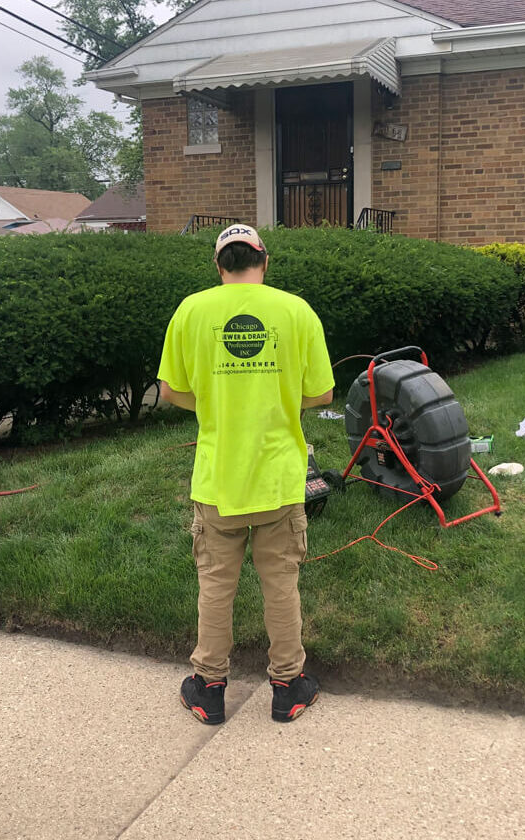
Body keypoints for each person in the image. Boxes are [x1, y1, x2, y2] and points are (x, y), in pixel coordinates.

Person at [157, 223, 334, 725]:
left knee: (216, 584)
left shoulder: (192, 310)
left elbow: (171, 391)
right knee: (281, 582)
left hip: (218, 480)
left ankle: (209, 689)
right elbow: (321, 393)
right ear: (265, 261)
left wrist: (213, 408)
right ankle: (289, 686)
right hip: (278, 478)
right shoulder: (295, 310)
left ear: (219, 266)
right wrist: (278, 406)